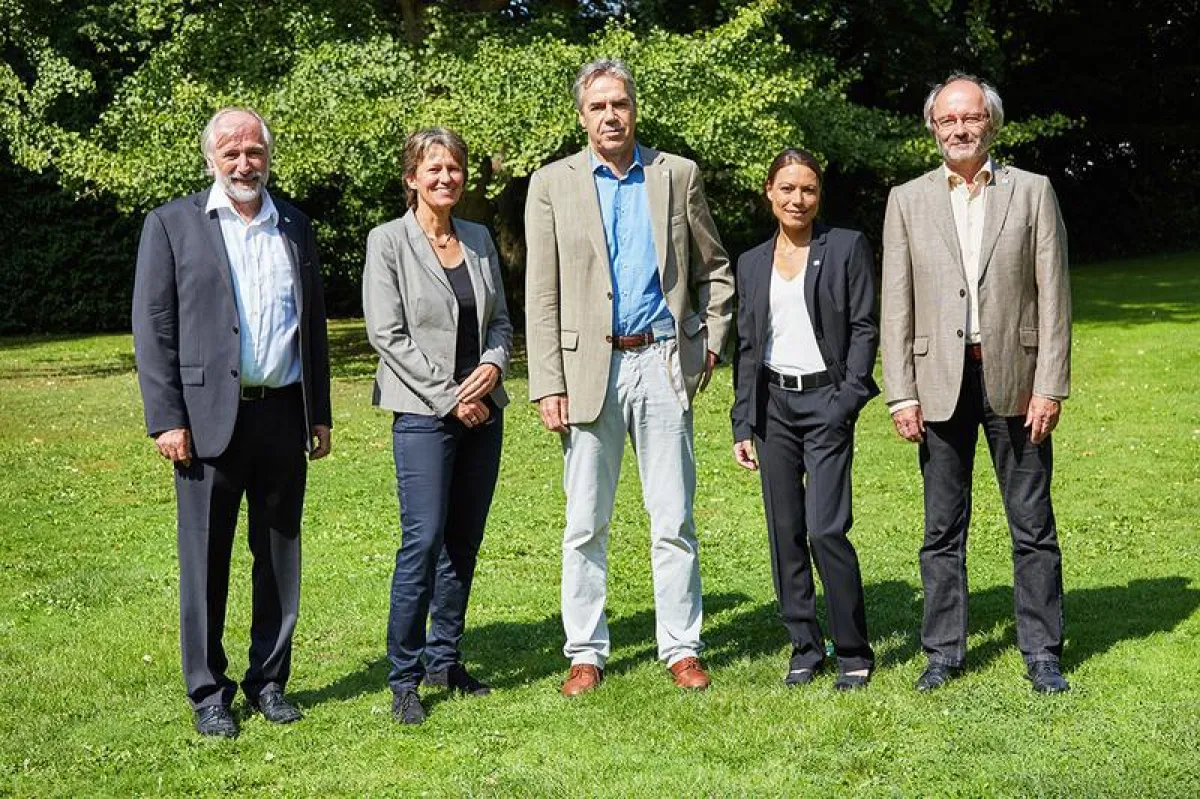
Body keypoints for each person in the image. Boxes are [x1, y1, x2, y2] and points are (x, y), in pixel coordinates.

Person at [525, 58, 734, 697]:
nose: (610, 116)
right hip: (588, 368)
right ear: (581, 115)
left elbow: (715, 268)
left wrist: (710, 345)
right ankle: (585, 652)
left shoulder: (676, 175)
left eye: (619, 104)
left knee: (673, 516)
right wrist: (547, 382)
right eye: (597, 107)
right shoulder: (550, 184)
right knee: (585, 521)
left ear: (634, 108)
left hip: (663, 360)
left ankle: (682, 647)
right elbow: (542, 292)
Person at [132, 107, 332, 738]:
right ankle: (208, 691)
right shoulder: (171, 225)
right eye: (232, 153)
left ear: (268, 156)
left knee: (278, 555)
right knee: (205, 559)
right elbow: (154, 328)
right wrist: (167, 419)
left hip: (281, 413)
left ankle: (269, 681)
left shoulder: (294, 224)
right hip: (205, 421)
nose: (245, 163)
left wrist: (318, 413)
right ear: (210, 159)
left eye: (255, 152)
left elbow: (315, 326)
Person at [881, 73, 1072, 694]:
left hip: (1014, 378)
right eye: (947, 121)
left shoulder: (1033, 192)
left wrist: (1050, 385)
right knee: (941, 529)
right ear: (933, 129)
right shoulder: (906, 200)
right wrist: (901, 391)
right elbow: (896, 306)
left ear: (990, 122)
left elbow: (1054, 298)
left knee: (1032, 524)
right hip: (938, 382)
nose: (959, 129)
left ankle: (1042, 650)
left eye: (970, 118)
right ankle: (942, 652)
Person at [363, 127, 512, 725]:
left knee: (462, 542)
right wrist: (452, 397)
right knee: (421, 543)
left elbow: (500, 320)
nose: (446, 178)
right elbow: (386, 334)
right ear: (411, 178)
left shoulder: (476, 238)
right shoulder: (388, 241)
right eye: (434, 170)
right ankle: (403, 677)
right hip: (425, 415)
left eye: (454, 168)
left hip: (484, 410)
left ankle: (444, 660)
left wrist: (493, 365)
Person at [731, 149, 879, 690]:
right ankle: (803, 645)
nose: (798, 200)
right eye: (787, 188)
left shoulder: (844, 248)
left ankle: (853, 650)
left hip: (827, 404)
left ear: (820, 195)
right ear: (769, 191)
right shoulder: (750, 262)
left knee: (826, 529)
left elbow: (865, 328)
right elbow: (748, 347)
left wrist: (846, 402)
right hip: (773, 408)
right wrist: (742, 422)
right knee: (785, 530)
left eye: (809, 190)